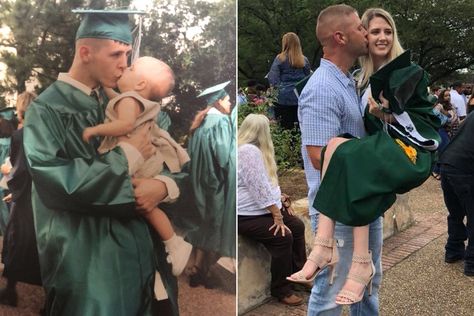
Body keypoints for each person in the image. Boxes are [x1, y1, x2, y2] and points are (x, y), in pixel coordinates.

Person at [23, 10, 179, 315]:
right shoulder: (47, 110)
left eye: (127, 55)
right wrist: (127, 155)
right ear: (85, 53)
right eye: (116, 54)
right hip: (89, 262)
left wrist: (162, 186)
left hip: (141, 253)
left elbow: (174, 164)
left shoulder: (126, 105)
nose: (124, 64)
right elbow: (57, 182)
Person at [290, 6, 440, 308]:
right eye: (365, 28)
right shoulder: (323, 87)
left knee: (367, 286)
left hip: (361, 196)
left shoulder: (351, 81)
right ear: (341, 37)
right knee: (330, 292)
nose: (370, 34)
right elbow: (320, 158)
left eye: (386, 30)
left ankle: (341, 256)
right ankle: (325, 248)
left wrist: (387, 116)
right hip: (340, 204)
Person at [82, 56, 192, 276]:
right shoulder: (134, 100)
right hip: (150, 161)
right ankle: (173, 241)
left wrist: (95, 130)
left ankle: (174, 243)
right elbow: (117, 101)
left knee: (136, 201)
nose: (124, 67)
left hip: (137, 160)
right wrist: (106, 84)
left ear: (140, 84)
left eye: (131, 68)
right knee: (150, 209)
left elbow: (124, 123)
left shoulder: (130, 101)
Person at [238, 113, 306, 306]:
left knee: (297, 226)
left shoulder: (253, 150)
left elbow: (265, 184)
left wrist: (280, 198)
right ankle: (281, 289)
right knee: (282, 236)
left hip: (260, 211)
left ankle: (299, 275)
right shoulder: (248, 151)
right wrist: (277, 214)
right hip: (244, 215)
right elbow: (258, 187)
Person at [185, 81, 236, 288]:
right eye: (228, 99)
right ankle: (203, 272)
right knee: (214, 226)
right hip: (215, 181)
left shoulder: (199, 124)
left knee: (202, 223)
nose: (231, 102)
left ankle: (197, 268)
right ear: (218, 102)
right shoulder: (221, 122)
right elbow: (223, 157)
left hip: (198, 181)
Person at [0, 91, 42, 308]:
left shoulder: (20, 136)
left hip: (25, 200)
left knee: (16, 241)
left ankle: (10, 291)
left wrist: (7, 172)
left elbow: (18, 171)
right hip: (44, 198)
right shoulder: (46, 133)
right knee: (43, 244)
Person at [438, 111, 474, 276]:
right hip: (465, 168)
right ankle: (472, 263)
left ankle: (453, 251)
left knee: (456, 213)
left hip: (447, 163)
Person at [268, 32, 311, 130]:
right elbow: (308, 79)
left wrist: (277, 92)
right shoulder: (304, 60)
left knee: (285, 127)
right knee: (300, 128)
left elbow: (273, 78)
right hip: (300, 97)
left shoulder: (279, 58)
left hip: (283, 99)